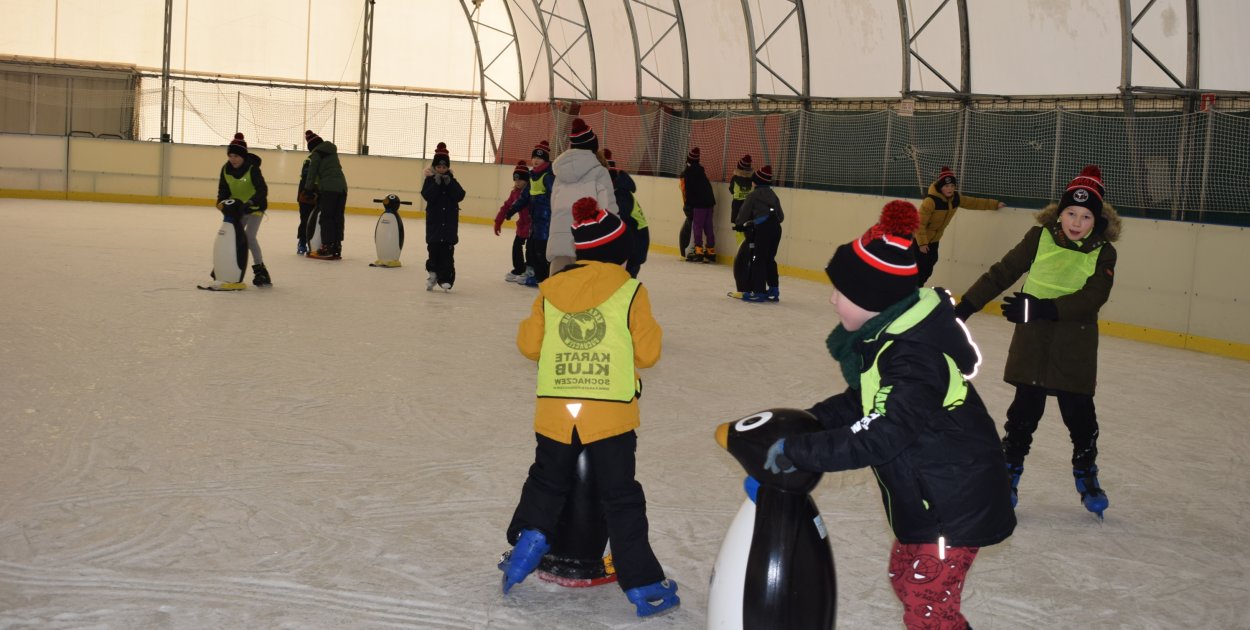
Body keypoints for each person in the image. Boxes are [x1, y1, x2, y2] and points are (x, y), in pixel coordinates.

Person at [763, 200, 1016, 629]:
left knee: (925, 603)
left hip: (953, 504)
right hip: (931, 496)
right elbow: (862, 401)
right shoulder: (891, 342)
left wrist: (802, 451)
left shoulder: (914, 357)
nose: (832, 300)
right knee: (906, 579)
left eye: (841, 293)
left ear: (874, 300)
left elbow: (881, 433)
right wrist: (811, 420)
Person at [501, 197, 679, 617]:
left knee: (546, 482)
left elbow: (528, 345)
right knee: (621, 497)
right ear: (620, 254)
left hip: (558, 410)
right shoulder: (631, 291)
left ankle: (529, 539)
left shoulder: (550, 290)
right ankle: (644, 585)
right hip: (609, 414)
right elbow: (649, 353)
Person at [953, 165, 1120, 519]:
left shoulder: (1104, 252)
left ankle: (1086, 474)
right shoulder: (1039, 237)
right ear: (1059, 213)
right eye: (1071, 213)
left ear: (1097, 220)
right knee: (1022, 414)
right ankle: (1007, 476)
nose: (1076, 222)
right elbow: (1002, 272)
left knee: (1080, 417)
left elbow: (1093, 298)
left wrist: (1043, 307)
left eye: (1085, 216)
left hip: (1074, 347)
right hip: (1033, 341)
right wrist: (965, 307)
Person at [913, 166, 1005, 285]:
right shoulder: (931, 201)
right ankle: (910, 290)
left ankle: (915, 288)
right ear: (940, 187)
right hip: (920, 240)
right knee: (919, 268)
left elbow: (974, 203)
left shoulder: (955, 199)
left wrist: (995, 204)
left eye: (952, 186)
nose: (950, 189)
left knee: (929, 266)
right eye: (946, 186)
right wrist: (922, 243)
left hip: (934, 240)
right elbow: (919, 223)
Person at [550, 118, 618, 275]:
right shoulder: (600, 172)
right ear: (593, 147)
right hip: (589, 242)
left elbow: (554, 206)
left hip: (559, 241)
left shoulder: (559, 175)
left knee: (558, 287)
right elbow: (609, 210)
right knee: (585, 287)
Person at [215, 133, 271, 286]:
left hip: (255, 207)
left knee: (249, 237)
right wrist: (221, 202)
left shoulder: (252, 169)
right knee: (231, 236)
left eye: (236, 156)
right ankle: (228, 266)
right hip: (237, 209)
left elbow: (262, 190)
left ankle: (260, 270)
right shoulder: (225, 169)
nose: (233, 159)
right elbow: (223, 189)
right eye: (230, 156)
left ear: (243, 156)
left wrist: (251, 202)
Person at [731, 166, 783, 302]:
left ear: (756, 182)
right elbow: (781, 217)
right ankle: (774, 290)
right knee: (770, 259)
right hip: (776, 229)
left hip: (763, 229)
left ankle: (759, 292)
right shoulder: (773, 195)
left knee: (758, 259)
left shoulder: (753, 195)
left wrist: (739, 224)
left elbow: (743, 213)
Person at [420, 142, 466, 292]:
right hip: (435, 225)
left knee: (447, 254)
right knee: (433, 251)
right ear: (434, 167)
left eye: (444, 167)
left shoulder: (451, 180)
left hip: (449, 226)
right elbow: (427, 195)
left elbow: (460, 195)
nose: (441, 169)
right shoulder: (430, 180)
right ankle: (433, 274)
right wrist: (436, 184)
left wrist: (449, 183)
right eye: (438, 167)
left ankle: (445, 278)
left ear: (447, 167)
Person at [510, 140, 555, 287]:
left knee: (541, 249)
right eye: (534, 157)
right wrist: (512, 209)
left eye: (539, 158)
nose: (536, 160)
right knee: (534, 248)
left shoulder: (548, 176)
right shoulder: (532, 176)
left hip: (546, 219)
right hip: (535, 219)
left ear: (545, 160)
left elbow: (554, 195)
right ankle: (537, 275)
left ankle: (543, 277)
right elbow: (524, 197)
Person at [302, 130, 348, 260]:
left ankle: (327, 246)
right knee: (338, 217)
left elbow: (312, 173)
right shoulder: (332, 153)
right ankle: (337, 247)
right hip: (342, 188)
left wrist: (308, 189)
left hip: (328, 189)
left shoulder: (316, 154)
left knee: (326, 217)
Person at [604, 149, 649, 278]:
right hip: (632, 245)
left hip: (634, 247)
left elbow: (617, 221)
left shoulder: (621, 196)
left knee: (625, 281)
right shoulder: (618, 192)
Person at [495, 160, 532, 284]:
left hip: (533, 225)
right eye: (515, 180)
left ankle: (530, 270)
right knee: (516, 246)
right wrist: (498, 222)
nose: (517, 183)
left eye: (520, 180)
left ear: (526, 180)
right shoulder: (515, 193)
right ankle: (519, 268)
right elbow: (506, 207)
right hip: (522, 225)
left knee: (531, 249)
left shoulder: (531, 192)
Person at [679, 147, 717, 262]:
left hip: (699, 204)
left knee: (697, 226)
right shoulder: (701, 172)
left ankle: (698, 250)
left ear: (688, 160)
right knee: (708, 226)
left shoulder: (687, 173)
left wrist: (688, 205)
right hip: (709, 202)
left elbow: (688, 191)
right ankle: (710, 250)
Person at [728, 154, 755, 294]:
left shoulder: (735, 179)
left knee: (740, 239)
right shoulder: (752, 180)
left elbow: (731, 190)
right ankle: (749, 258)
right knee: (749, 238)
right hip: (749, 214)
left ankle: (741, 260)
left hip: (737, 212)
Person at [295, 146, 316, 256]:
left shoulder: (321, 160)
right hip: (306, 195)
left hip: (317, 195)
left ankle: (312, 244)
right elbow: (306, 176)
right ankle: (302, 243)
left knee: (314, 222)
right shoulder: (309, 160)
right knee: (305, 220)